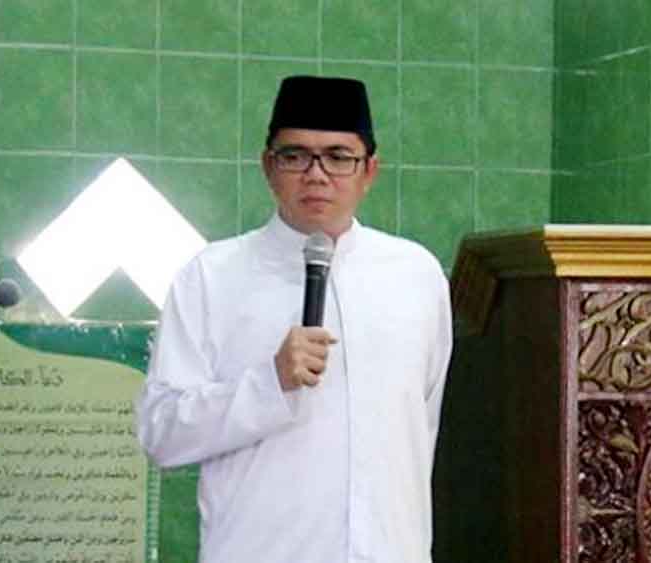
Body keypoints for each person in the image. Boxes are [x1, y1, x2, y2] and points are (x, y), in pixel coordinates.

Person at [136, 75, 453, 563]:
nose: (316, 174)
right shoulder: (211, 277)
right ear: (269, 166)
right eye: (295, 156)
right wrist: (270, 382)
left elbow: (420, 434)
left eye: (338, 157)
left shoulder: (417, 276)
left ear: (370, 170)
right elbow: (161, 433)